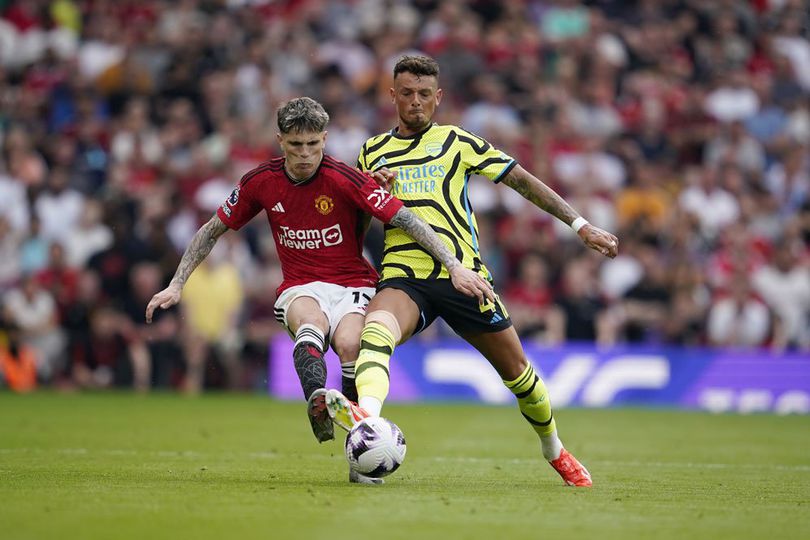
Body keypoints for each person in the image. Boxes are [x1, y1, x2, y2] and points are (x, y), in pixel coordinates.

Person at [144, 97, 493, 477]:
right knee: (310, 320)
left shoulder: (346, 179)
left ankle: (357, 449)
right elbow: (213, 230)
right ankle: (317, 399)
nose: (306, 154)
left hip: (353, 283)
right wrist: (176, 285)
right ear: (280, 140)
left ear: (325, 139)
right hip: (301, 284)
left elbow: (409, 221)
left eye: (313, 144)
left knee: (349, 344)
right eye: (296, 145)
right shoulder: (261, 182)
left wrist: (454, 265)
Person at [324, 56, 619, 487]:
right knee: (376, 331)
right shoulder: (372, 152)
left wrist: (580, 225)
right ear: (392, 96)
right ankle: (368, 419)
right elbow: (359, 225)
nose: (416, 102)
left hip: (465, 277)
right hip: (405, 274)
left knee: (521, 376)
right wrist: (371, 195)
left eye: (425, 94)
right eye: (406, 93)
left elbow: (523, 181)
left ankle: (554, 448)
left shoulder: (458, 141)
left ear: (438, 97)